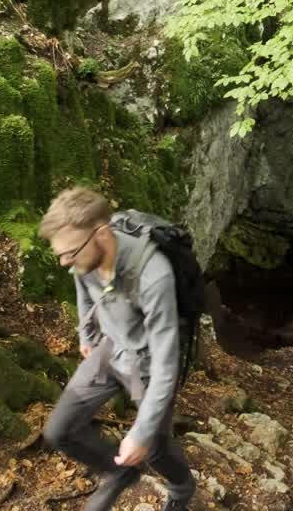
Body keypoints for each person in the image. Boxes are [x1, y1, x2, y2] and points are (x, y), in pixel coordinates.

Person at [39, 187, 196, 511]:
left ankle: (182, 488)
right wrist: (87, 333)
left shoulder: (153, 276)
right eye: (60, 254)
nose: (64, 262)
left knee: (154, 449)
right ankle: (119, 473)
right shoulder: (83, 256)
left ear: (102, 234)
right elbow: (82, 282)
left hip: (148, 365)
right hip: (109, 351)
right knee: (59, 431)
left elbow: (167, 367)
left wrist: (139, 434)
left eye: (70, 252)